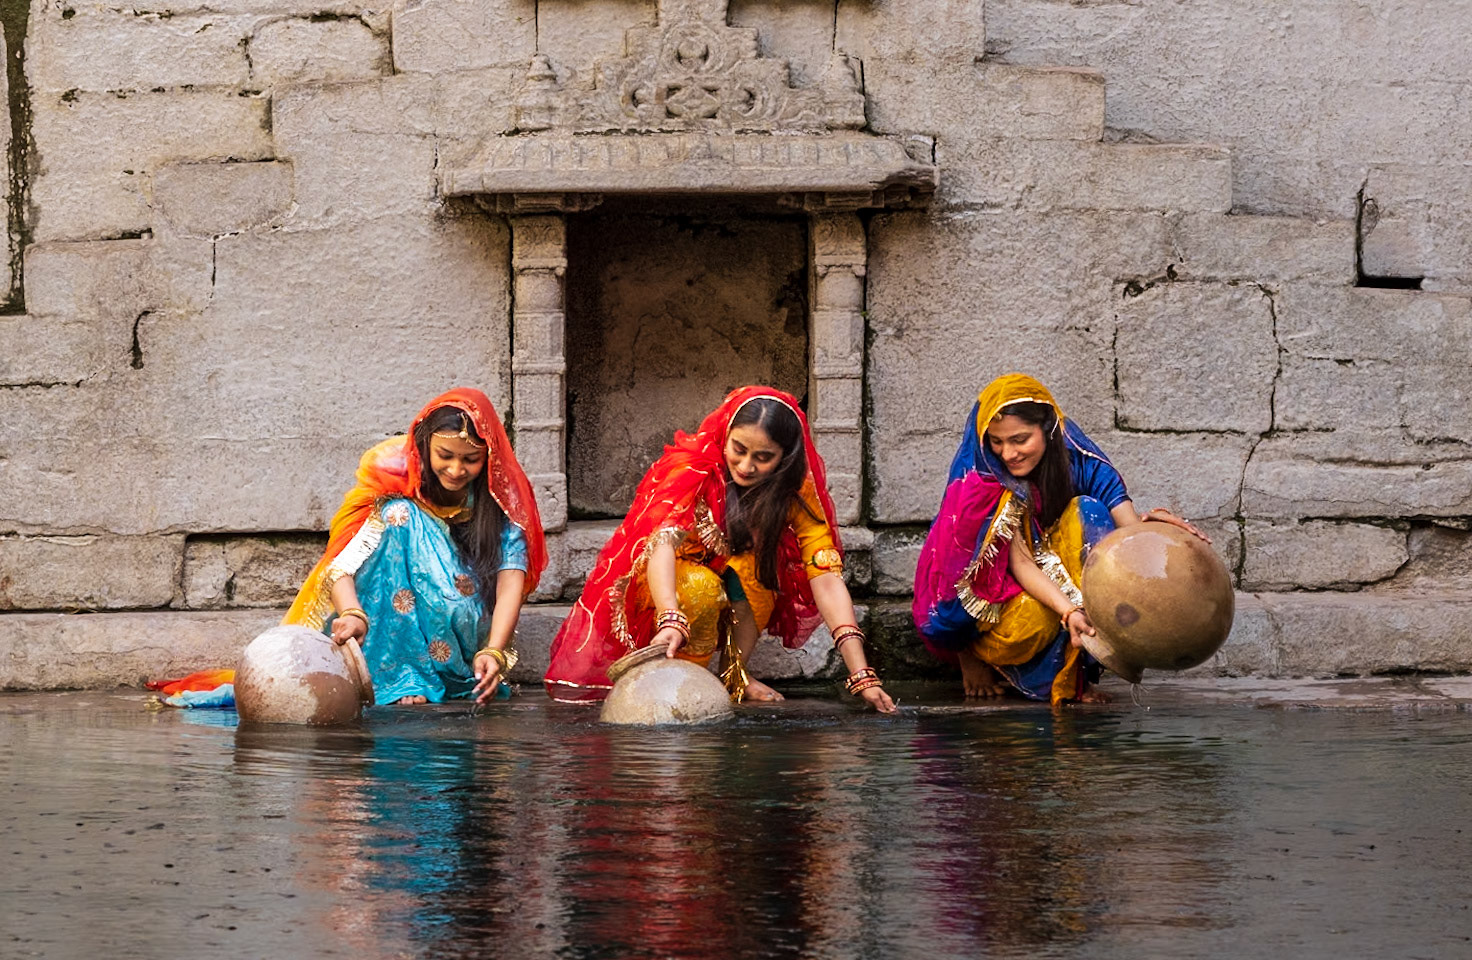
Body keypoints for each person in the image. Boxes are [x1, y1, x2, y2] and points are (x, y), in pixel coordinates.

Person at [545, 386, 896, 713]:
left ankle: (734, 675)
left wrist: (861, 673)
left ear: (784, 458)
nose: (746, 467)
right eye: (738, 450)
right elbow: (661, 545)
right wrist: (670, 615)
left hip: (730, 579)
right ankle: (679, 682)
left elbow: (825, 575)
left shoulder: (795, 490)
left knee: (762, 572)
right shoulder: (693, 467)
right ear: (725, 435)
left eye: (763, 458)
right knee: (700, 587)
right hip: (665, 586)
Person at [912, 373, 1205, 704]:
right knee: (1033, 621)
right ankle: (980, 657)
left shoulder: (1079, 459)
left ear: (1049, 429)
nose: (1008, 454)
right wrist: (1068, 612)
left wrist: (1157, 532)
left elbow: (1127, 531)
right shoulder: (984, 480)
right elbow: (1020, 563)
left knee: (1092, 512)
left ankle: (1082, 668)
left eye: (1020, 440)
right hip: (1005, 597)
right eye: (997, 441)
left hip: (1054, 567)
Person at [284, 388, 547, 706]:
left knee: (406, 523)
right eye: (445, 456)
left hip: (460, 616)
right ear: (425, 446)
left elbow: (510, 586)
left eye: (471, 459)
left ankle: (435, 673)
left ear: (487, 455)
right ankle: (400, 674)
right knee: (398, 514)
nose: (456, 470)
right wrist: (353, 614)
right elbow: (342, 559)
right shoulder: (391, 478)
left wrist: (494, 650)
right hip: (384, 624)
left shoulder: (502, 500)